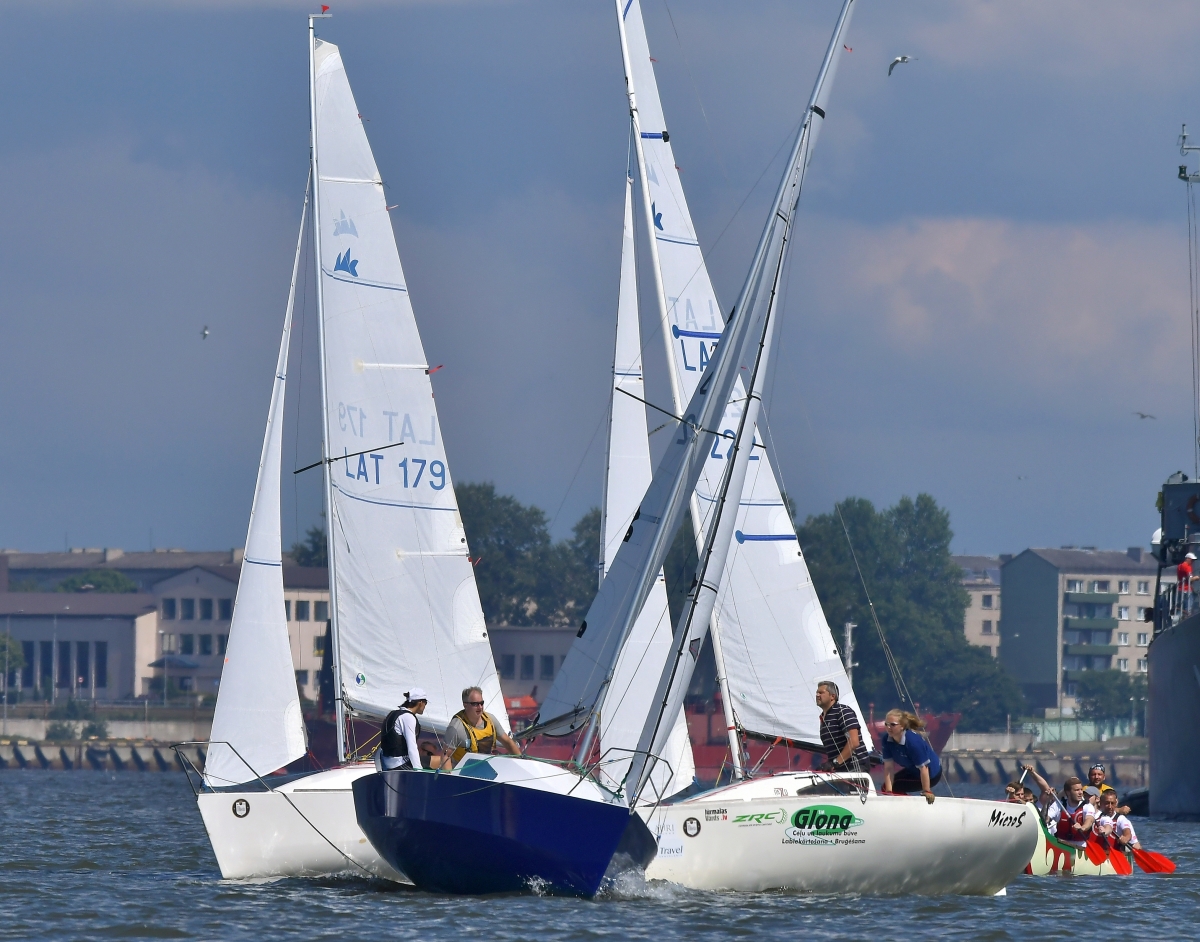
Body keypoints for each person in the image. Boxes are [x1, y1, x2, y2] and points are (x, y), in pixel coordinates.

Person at [442, 686, 521, 769]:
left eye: (481, 703)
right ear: (465, 705)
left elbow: (508, 743)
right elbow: (445, 756)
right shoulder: (456, 727)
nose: (480, 707)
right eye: (475, 704)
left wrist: (521, 763)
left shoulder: (491, 720)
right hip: (463, 772)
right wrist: (450, 776)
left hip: (487, 770)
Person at [880, 709, 941, 804]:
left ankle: (910, 805)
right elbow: (888, 768)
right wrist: (889, 792)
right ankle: (903, 806)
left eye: (892, 724)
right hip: (913, 771)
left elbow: (924, 768)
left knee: (896, 786)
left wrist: (927, 791)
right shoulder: (886, 740)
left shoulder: (913, 742)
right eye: (886, 724)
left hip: (931, 775)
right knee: (886, 788)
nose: (888, 727)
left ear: (902, 726)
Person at [815, 680, 871, 774]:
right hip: (839, 770)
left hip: (855, 767)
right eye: (817, 692)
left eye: (821, 692)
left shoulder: (843, 711)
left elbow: (854, 742)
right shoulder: (823, 718)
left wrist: (834, 763)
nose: (817, 695)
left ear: (833, 696)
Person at [379, 688, 428, 771]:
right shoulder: (408, 717)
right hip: (398, 764)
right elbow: (412, 746)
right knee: (433, 765)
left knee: (435, 760)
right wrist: (418, 769)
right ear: (420, 702)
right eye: (425, 703)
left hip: (387, 762)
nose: (425, 706)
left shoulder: (393, 713)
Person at [1043, 776, 1097, 848]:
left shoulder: (1087, 806)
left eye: (1081, 789)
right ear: (1068, 792)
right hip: (1061, 844)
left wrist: (1082, 828)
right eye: (1077, 790)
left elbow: (1089, 820)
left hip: (1080, 846)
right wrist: (1048, 800)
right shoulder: (1059, 804)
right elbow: (1044, 820)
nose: (1081, 793)